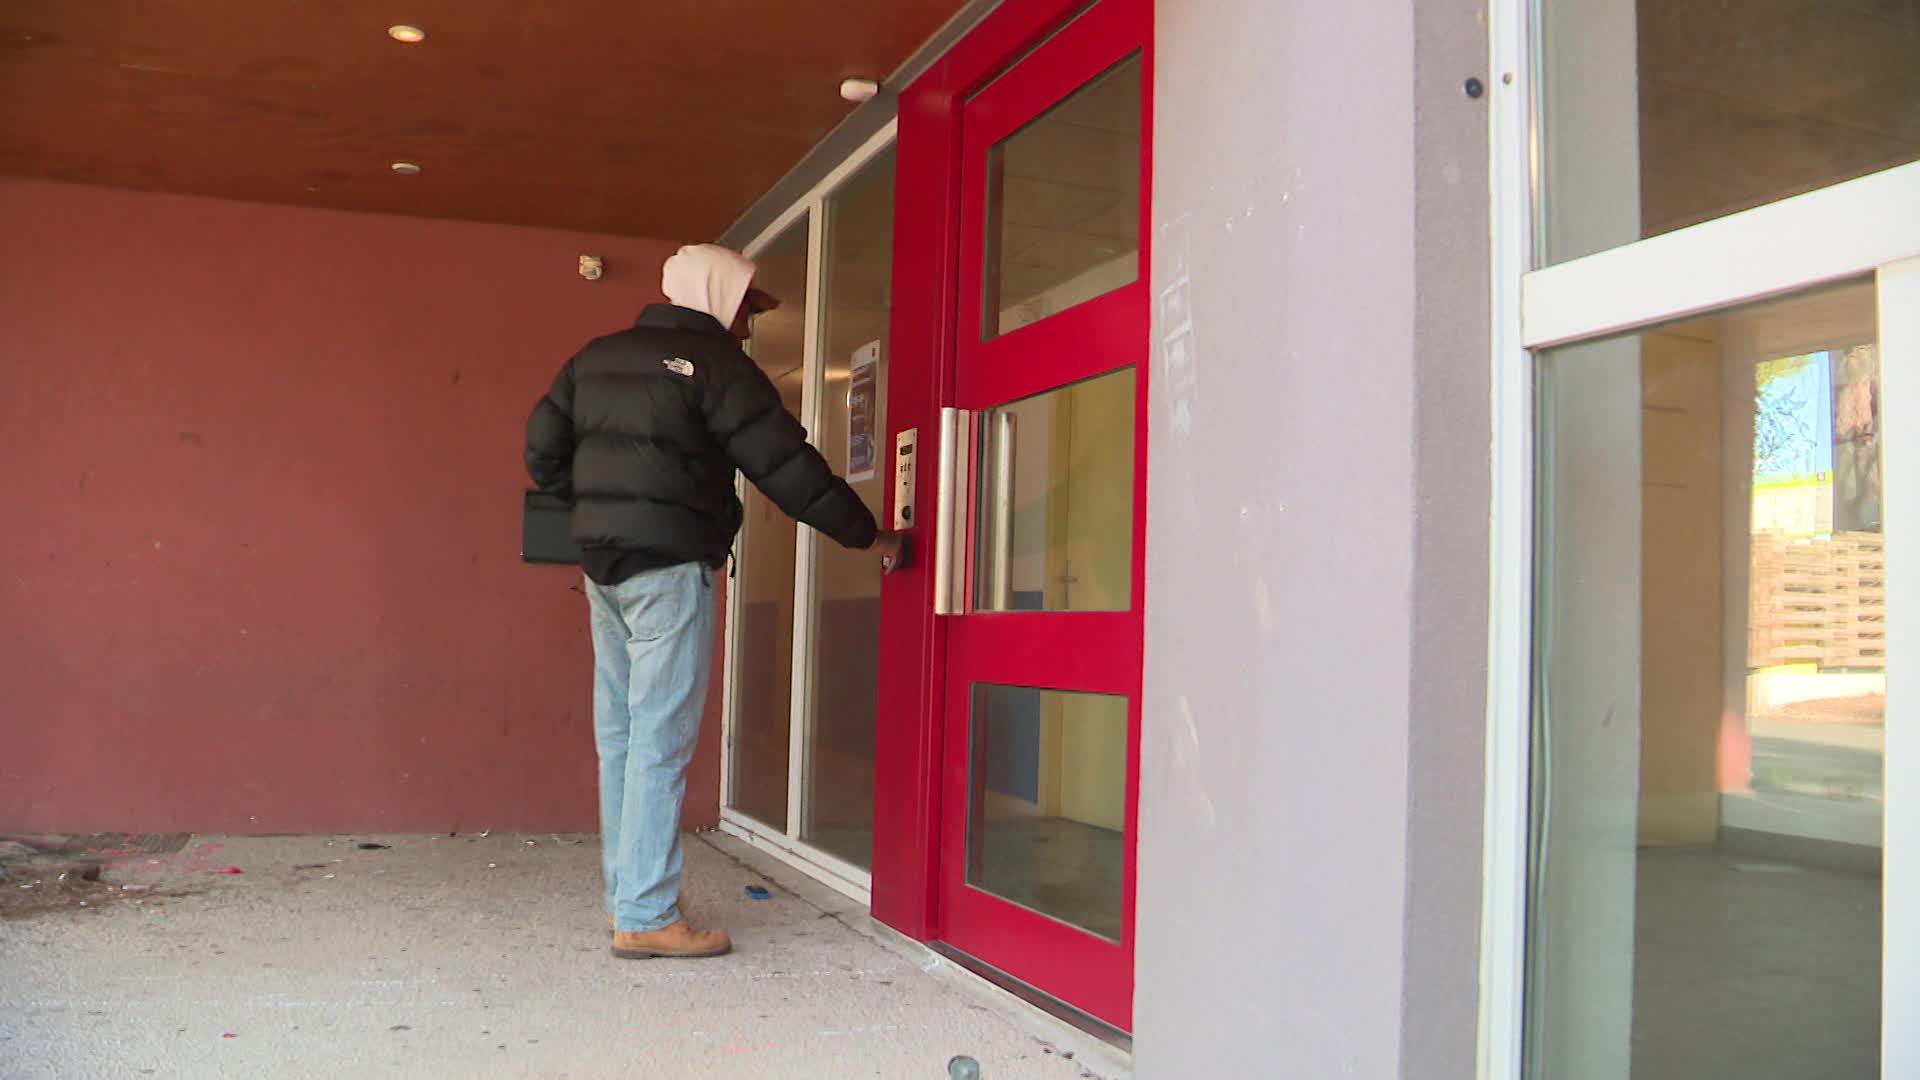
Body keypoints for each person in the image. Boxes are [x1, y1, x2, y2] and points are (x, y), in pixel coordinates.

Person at [525, 243, 903, 959]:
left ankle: (628, 900)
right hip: (669, 569)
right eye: (746, 311)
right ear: (716, 298)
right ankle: (645, 915)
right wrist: (868, 539)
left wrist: (601, 509)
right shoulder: (718, 368)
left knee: (625, 738)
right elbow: (787, 467)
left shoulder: (594, 358)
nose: (750, 327)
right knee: (659, 744)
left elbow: (541, 451)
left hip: (604, 569)